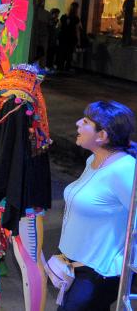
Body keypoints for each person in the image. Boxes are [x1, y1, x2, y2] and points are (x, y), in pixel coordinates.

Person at [56, 101, 135, 311]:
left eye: (86, 121)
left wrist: (122, 261)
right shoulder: (94, 159)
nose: (77, 123)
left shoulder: (124, 169)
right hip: (76, 267)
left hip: (98, 273)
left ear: (102, 136)